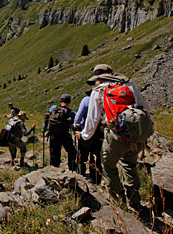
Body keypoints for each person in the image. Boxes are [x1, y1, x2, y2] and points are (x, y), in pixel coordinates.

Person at [76, 64, 152, 211]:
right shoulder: (128, 85)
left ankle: (119, 202)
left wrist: (85, 136)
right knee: (129, 165)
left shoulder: (98, 91)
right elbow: (145, 107)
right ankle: (135, 200)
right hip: (135, 134)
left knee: (108, 166)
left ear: (98, 78)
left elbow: (93, 119)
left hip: (114, 134)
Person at [73, 89, 103, 184]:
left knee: (83, 155)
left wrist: (77, 128)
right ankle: (95, 178)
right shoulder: (103, 100)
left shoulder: (86, 100)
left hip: (85, 132)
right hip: (99, 133)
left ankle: (80, 176)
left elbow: (77, 118)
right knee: (96, 156)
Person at [43, 94, 76, 170]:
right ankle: (72, 168)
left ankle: (54, 169)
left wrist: (44, 129)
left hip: (53, 134)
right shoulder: (70, 112)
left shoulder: (53, 108)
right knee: (72, 151)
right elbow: (74, 123)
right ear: (69, 102)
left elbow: (47, 118)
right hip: (64, 134)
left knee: (54, 153)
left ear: (61, 100)